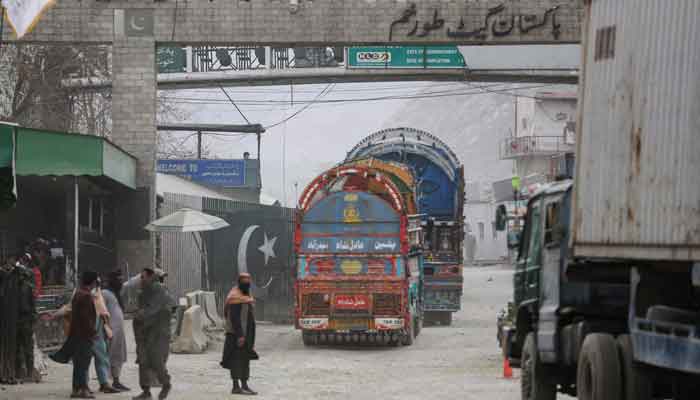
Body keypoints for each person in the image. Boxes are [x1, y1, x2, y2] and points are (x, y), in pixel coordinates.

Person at [133, 267, 175, 400]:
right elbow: (142, 311)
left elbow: (154, 310)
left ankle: (166, 384)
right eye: (141, 277)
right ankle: (146, 391)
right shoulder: (142, 293)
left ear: (151, 277)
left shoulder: (160, 290)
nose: (141, 279)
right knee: (143, 361)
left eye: (143, 277)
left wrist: (142, 315)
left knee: (157, 361)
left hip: (158, 333)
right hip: (144, 332)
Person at [221, 272, 258, 395]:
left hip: (245, 334)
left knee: (245, 360)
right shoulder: (235, 297)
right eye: (245, 282)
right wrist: (240, 335)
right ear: (240, 282)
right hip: (236, 335)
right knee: (236, 360)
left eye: (248, 281)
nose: (247, 284)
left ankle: (245, 385)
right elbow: (235, 319)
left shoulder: (246, 295)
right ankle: (236, 387)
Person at [69, 271, 99, 399]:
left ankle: (76, 389)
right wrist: (93, 332)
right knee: (83, 363)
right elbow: (87, 319)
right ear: (92, 282)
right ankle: (83, 389)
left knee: (78, 363)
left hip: (76, 333)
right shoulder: (86, 296)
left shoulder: (77, 294)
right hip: (85, 335)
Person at [103, 270, 130, 392]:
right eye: (118, 279)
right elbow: (101, 312)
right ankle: (105, 382)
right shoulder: (105, 293)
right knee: (108, 357)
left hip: (119, 332)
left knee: (118, 356)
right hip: (110, 331)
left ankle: (116, 381)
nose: (121, 282)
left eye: (121, 279)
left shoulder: (116, 294)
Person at [15, 254, 37, 383]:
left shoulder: (28, 287)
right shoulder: (13, 287)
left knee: (28, 347)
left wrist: (33, 319)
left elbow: (33, 305)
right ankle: (19, 372)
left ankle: (29, 373)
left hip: (26, 319)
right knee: (18, 348)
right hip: (17, 319)